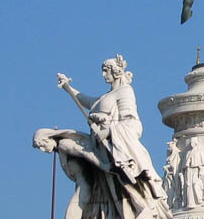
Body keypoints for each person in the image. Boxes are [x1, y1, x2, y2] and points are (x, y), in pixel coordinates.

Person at [38, 54, 172, 219]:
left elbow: (133, 123)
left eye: (105, 71)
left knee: (124, 193)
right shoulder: (107, 96)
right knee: (110, 196)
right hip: (101, 149)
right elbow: (87, 102)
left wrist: (108, 129)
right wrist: (68, 88)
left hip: (114, 152)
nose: (103, 75)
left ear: (115, 72)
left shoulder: (125, 92)